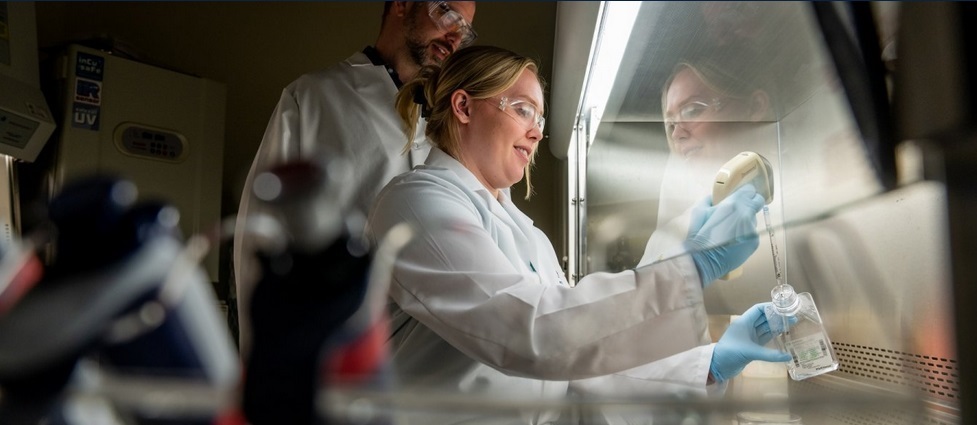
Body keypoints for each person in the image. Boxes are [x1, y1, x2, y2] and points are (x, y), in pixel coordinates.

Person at [367, 45, 791, 424]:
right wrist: (694, 264)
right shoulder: (416, 204)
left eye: (540, 118)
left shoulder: (528, 236)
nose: (536, 131)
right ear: (463, 106)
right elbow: (527, 332)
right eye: (523, 110)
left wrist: (705, 367)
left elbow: (576, 361)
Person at [233, 1, 477, 357]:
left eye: (466, 29)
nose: (455, 35)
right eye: (447, 13)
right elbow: (262, 235)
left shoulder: (460, 118)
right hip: (339, 347)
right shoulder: (314, 99)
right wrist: (265, 366)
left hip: (437, 358)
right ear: (402, 5)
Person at [639, 46, 779, 268]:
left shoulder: (810, 192)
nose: (677, 134)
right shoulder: (669, 241)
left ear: (755, 107)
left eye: (692, 111)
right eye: (671, 124)